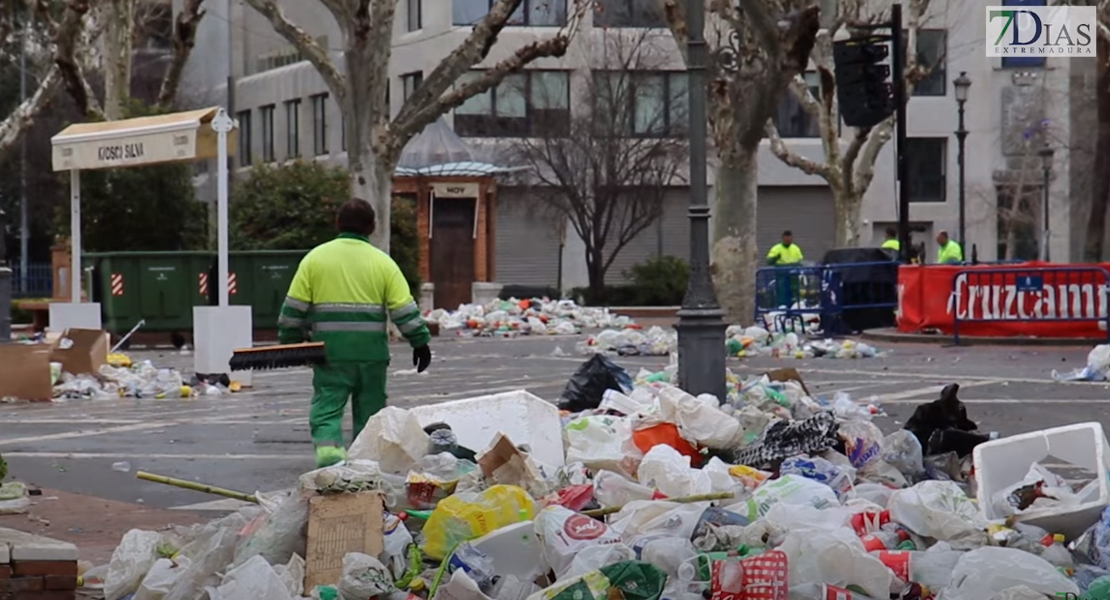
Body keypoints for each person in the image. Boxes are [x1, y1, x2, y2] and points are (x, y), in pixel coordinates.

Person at [277, 198, 433, 468]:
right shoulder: (383, 263)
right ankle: (364, 467)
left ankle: (331, 463)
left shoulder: (315, 259)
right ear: (372, 227)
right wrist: (420, 342)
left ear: (338, 224)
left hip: (330, 355)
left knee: (327, 411)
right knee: (371, 416)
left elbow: (292, 310)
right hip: (372, 356)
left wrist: (291, 344)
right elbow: (404, 310)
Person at [766, 230, 804, 308]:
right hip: (781, 276)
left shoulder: (795, 248)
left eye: (789, 239)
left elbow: (801, 261)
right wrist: (776, 258)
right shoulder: (777, 248)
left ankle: (794, 308)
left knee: (794, 293)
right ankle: (782, 308)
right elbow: (769, 261)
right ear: (783, 238)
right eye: (786, 239)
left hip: (793, 276)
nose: (788, 241)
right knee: (782, 294)